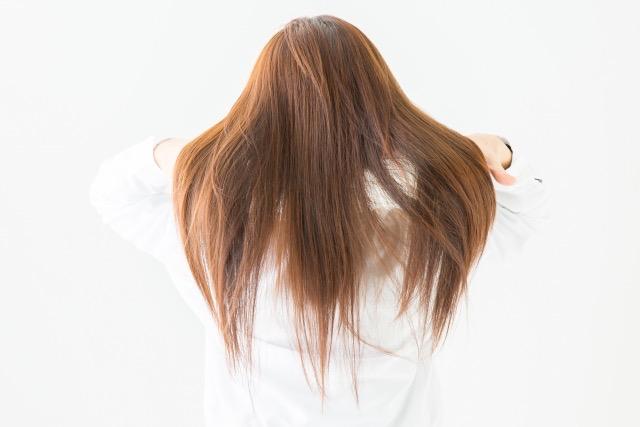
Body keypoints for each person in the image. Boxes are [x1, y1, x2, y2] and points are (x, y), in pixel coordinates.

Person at [89, 15, 548, 427]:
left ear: (261, 116)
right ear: (381, 110)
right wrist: (492, 149)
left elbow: (114, 193)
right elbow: (521, 207)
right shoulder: (425, 239)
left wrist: (184, 155)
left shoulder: (216, 238)